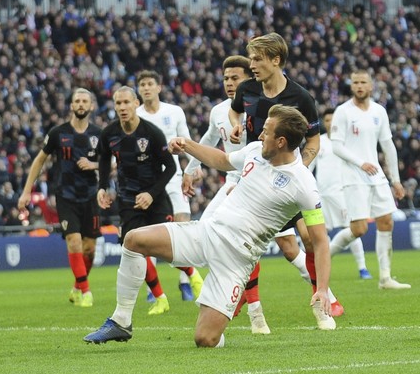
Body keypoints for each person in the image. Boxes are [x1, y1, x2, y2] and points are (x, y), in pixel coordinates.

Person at [84, 105, 331, 348]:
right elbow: (223, 159)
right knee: (134, 240)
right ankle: (121, 320)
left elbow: (320, 241)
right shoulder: (256, 150)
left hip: (237, 259)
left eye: (266, 132)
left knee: (205, 339)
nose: (260, 135)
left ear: (281, 142)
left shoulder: (303, 184)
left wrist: (321, 289)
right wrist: (187, 145)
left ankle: (219, 311)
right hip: (208, 233)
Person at [228, 32, 339, 330]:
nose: (251, 64)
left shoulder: (301, 98)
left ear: (275, 61)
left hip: (287, 182)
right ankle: (255, 314)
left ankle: (321, 304)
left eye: (257, 59)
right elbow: (235, 111)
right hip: (253, 180)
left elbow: (314, 140)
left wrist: (296, 170)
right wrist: (236, 127)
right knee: (247, 244)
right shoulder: (247, 89)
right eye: (250, 58)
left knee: (307, 240)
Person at [182, 55, 273, 334]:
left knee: (295, 248)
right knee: (211, 237)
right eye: (226, 79)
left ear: (250, 78)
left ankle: (325, 296)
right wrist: (190, 168)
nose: (230, 83)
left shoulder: (262, 107)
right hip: (233, 181)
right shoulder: (220, 111)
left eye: (236, 78)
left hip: (265, 183)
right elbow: (209, 140)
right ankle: (249, 308)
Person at [94, 86, 177, 318]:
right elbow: (103, 159)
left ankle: (192, 277)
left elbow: (170, 167)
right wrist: (102, 186)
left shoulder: (151, 132)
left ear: (136, 103)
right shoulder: (109, 133)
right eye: (117, 103)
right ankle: (160, 298)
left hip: (156, 199)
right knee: (132, 249)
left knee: (171, 250)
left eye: (126, 103)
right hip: (129, 200)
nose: (121, 108)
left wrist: (151, 193)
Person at [18, 88, 101, 308]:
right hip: (66, 196)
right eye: (77, 101)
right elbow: (39, 160)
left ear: (91, 106)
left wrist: (93, 165)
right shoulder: (58, 133)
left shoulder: (98, 134)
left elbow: (113, 162)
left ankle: (77, 287)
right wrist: (27, 191)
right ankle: (86, 291)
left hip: (91, 195)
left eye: (85, 101)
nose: (81, 104)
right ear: (71, 106)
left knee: (90, 248)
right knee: (74, 241)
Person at [328, 69, 410, 290]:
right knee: (359, 229)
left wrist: (396, 180)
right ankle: (324, 256)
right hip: (354, 176)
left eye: (363, 82)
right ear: (351, 86)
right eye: (355, 82)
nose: (359, 86)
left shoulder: (379, 111)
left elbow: (388, 145)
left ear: (371, 86)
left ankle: (385, 278)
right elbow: (336, 145)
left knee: (386, 222)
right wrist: (360, 162)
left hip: (376, 176)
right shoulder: (343, 112)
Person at [136, 70, 204, 304]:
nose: (146, 88)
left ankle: (185, 283)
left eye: (149, 84)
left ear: (159, 87)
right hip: (145, 181)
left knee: (182, 226)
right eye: (142, 84)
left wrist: (194, 167)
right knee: (149, 231)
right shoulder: (135, 115)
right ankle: (151, 289)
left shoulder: (174, 112)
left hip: (173, 176)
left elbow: (187, 141)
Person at [309, 107, 371, 280]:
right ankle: (320, 269)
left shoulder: (345, 143)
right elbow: (309, 166)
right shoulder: (318, 142)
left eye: (333, 120)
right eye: (327, 120)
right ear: (324, 122)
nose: (330, 123)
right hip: (321, 194)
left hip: (341, 193)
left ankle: (362, 267)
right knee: (320, 233)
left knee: (351, 228)